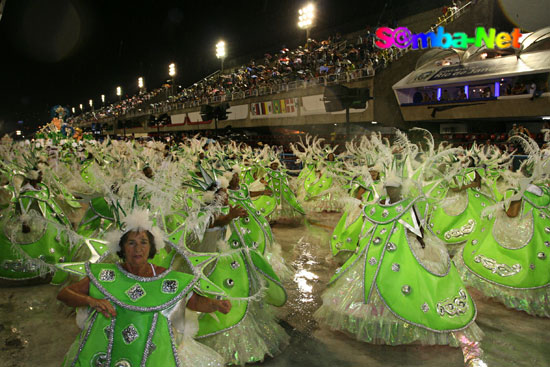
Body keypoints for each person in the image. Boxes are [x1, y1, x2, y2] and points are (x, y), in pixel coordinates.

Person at [58, 223, 231, 367]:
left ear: (151, 247)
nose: (138, 249)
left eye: (143, 242)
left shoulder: (167, 278)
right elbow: (64, 294)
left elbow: (193, 302)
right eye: (131, 243)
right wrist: (91, 300)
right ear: (122, 248)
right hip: (105, 350)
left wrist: (215, 304)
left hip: (155, 354)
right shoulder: (105, 275)